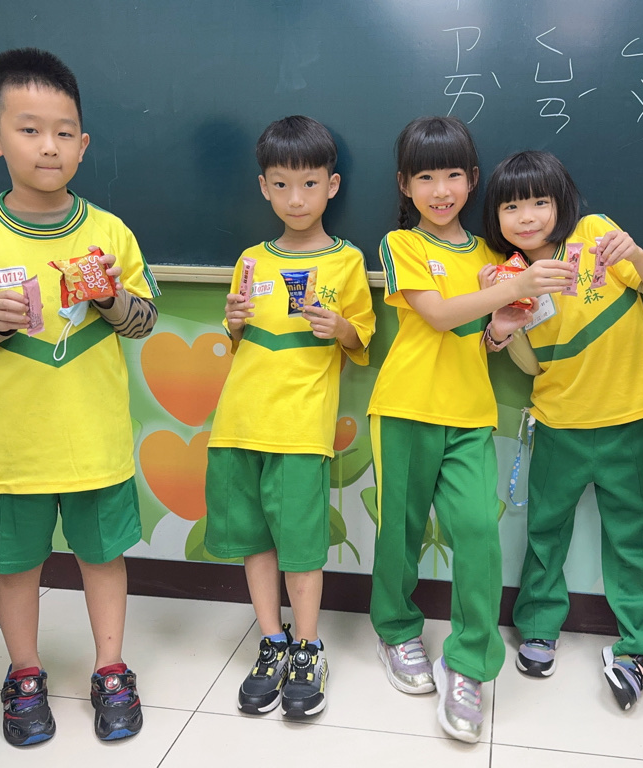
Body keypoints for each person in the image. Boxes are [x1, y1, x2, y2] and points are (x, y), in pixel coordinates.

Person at [0, 48, 159, 746]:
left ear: (83, 144)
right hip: (10, 450)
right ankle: (24, 672)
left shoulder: (108, 232)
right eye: (29, 129)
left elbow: (143, 321)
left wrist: (110, 297)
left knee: (103, 559)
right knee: (15, 566)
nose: (48, 146)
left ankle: (110, 668)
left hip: (94, 443)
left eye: (63, 132)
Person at [367, 116, 568, 743]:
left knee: (478, 531)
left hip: (471, 414)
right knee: (399, 530)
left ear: (473, 179)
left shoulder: (493, 256)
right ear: (405, 185)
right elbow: (437, 315)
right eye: (425, 177)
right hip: (404, 408)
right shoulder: (401, 245)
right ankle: (396, 631)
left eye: (453, 174)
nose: (441, 190)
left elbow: (483, 336)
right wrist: (511, 288)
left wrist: (504, 323)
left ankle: (470, 665)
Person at [482, 150, 643, 710]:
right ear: (496, 217)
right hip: (558, 424)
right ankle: (538, 626)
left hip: (631, 422)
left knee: (633, 541)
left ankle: (641, 647)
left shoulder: (595, 234)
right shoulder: (508, 273)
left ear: (562, 203)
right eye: (511, 207)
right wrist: (501, 327)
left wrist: (634, 253)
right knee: (545, 532)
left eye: (540, 202)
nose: (527, 217)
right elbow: (528, 366)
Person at [205, 115, 375, 719]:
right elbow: (238, 337)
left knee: (301, 545)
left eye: (308, 185)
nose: (295, 199)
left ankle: (308, 646)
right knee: (254, 540)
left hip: (302, 428)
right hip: (239, 421)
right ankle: (272, 640)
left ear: (332, 186)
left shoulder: (346, 260)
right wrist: (232, 321)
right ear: (264, 188)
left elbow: (362, 339)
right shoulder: (252, 258)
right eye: (281, 185)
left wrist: (340, 326)